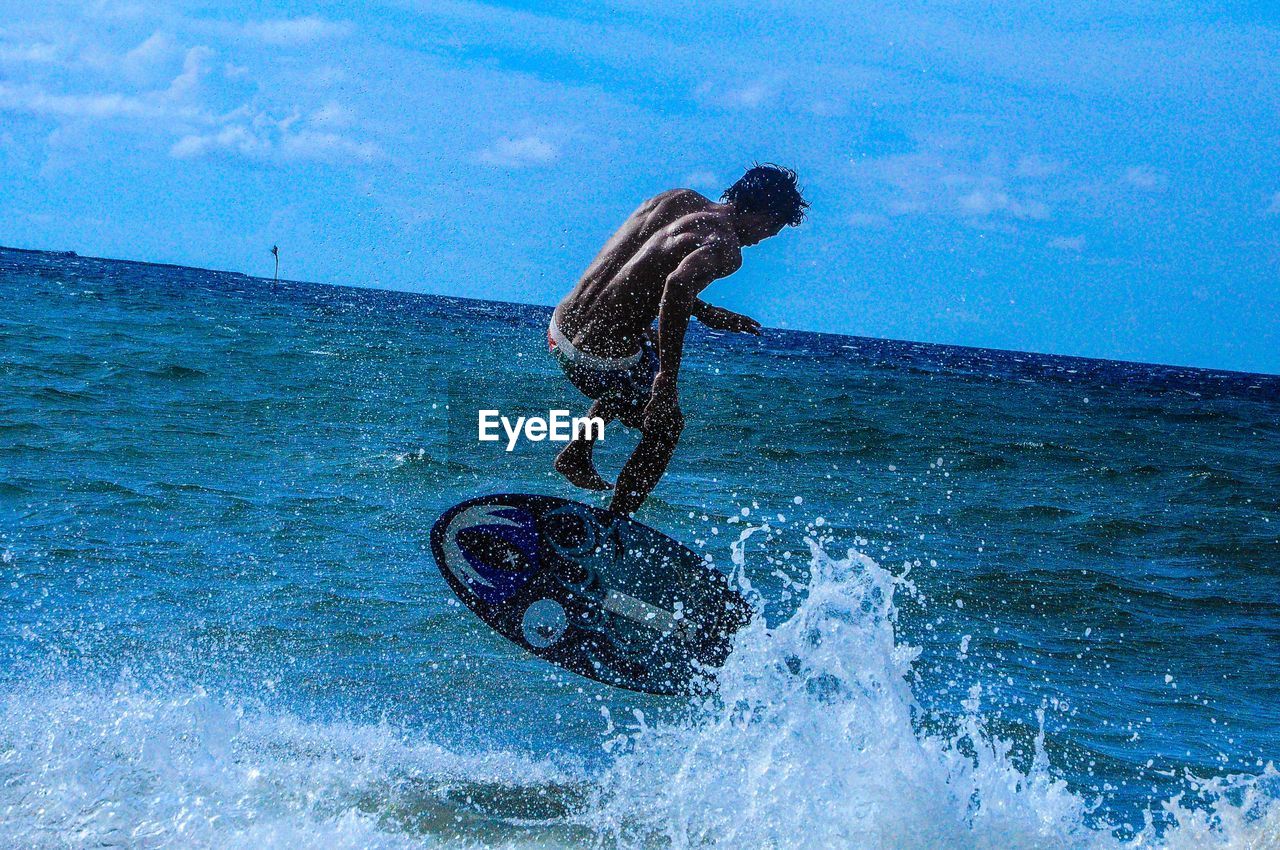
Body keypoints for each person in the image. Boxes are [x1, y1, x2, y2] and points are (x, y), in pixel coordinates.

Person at [548, 163, 808, 515]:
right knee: (666, 426)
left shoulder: (676, 199)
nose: (763, 238)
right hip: (594, 360)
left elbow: (639, 270)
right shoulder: (725, 248)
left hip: (559, 329)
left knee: (645, 350)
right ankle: (616, 523)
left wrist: (704, 311)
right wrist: (666, 381)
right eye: (770, 228)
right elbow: (677, 286)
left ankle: (578, 452)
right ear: (762, 211)